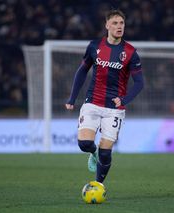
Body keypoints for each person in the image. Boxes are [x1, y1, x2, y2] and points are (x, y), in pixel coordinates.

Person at [65, 9, 144, 183]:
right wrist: (72, 98)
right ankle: (93, 153)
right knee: (85, 144)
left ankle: (98, 184)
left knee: (106, 152)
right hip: (92, 102)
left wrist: (124, 100)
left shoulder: (130, 52)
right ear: (107, 25)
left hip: (114, 109)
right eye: (115, 23)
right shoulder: (95, 46)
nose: (119, 26)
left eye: (121, 23)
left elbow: (140, 83)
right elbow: (82, 71)